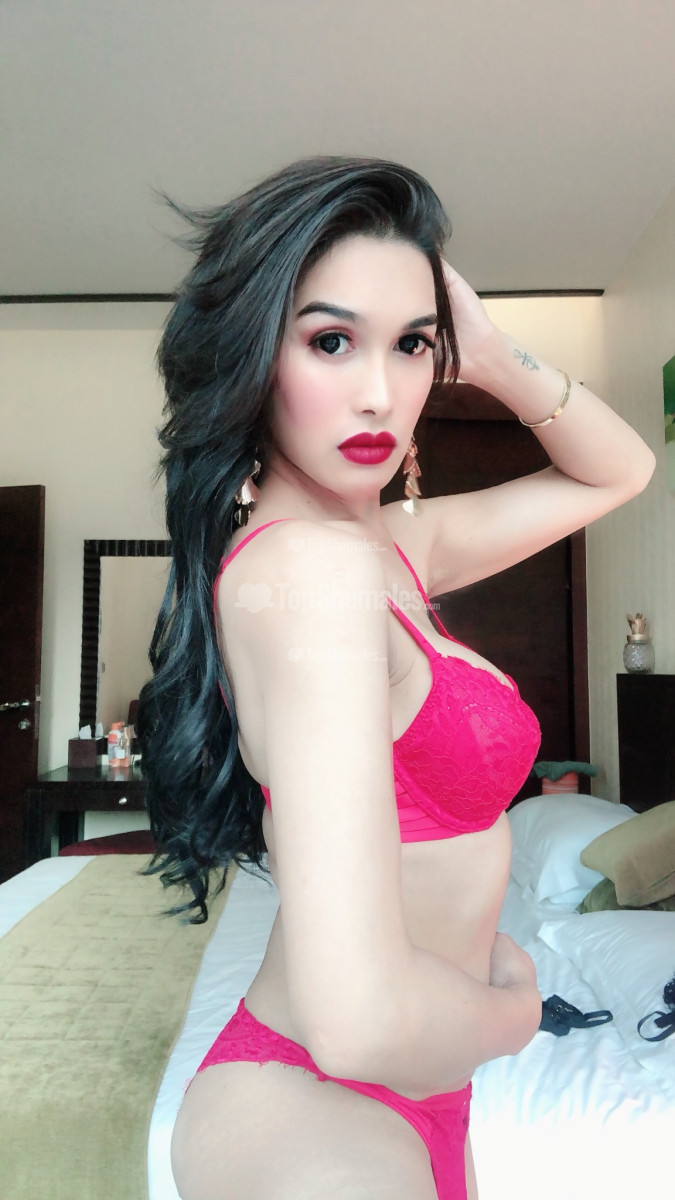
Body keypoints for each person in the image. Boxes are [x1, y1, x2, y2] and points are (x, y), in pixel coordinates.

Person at [137, 156, 655, 1200]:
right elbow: (358, 1021)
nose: (381, 391)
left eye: (413, 344)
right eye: (331, 341)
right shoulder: (313, 573)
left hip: (423, 1078)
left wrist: (490, 351)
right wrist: (514, 1013)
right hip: (319, 1108)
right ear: (250, 358)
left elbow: (622, 469)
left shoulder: (385, 551)